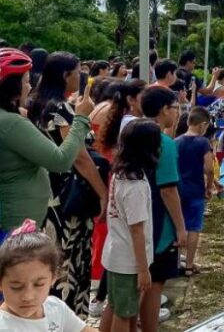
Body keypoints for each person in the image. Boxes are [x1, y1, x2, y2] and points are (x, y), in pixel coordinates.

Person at [28, 52, 107, 318]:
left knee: (50, 261)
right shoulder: (61, 109)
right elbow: (80, 158)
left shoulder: (35, 105)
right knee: (70, 264)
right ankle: (67, 319)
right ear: (65, 76)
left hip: (46, 195)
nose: (80, 77)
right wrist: (103, 192)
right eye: (77, 72)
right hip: (69, 198)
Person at [0, 48, 94, 244]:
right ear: (12, 86)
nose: (29, 87)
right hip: (17, 227)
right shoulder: (10, 123)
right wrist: (81, 118)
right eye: (26, 82)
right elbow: (60, 161)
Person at [98, 119, 158, 332]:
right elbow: (137, 229)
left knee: (118, 306)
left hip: (116, 252)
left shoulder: (119, 173)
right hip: (130, 260)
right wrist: (143, 269)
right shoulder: (135, 185)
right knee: (123, 313)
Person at [139, 87, 187, 330]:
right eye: (176, 108)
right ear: (164, 110)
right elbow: (168, 189)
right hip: (159, 222)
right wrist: (180, 228)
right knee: (155, 282)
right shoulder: (164, 143)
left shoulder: (132, 134)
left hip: (136, 217)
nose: (178, 113)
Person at [0, 220, 99, 331]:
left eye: (39, 284)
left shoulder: (56, 308)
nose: (28, 296)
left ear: (53, 278)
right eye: (16, 287)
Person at [175, 107, 215, 278]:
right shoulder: (203, 143)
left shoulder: (175, 141)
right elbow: (209, 168)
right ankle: (189, 265)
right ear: (203, 125)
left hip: (178, 190)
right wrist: (209, 186)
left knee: (177, 226)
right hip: (196, 190)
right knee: (193, 228)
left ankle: (175, 262)